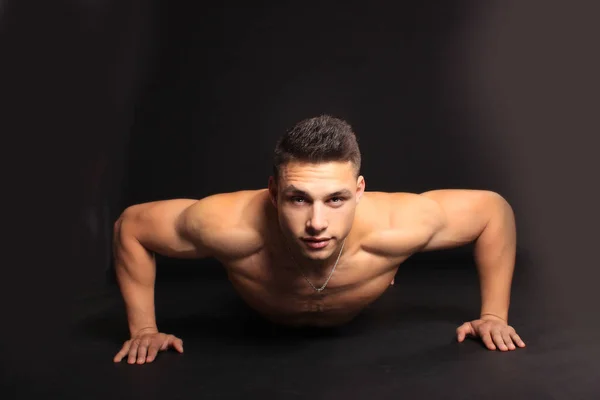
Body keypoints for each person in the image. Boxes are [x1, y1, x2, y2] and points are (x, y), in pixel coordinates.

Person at [112, 115, 526, 365]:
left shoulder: (401, 224)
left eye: (336, 199)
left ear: (359, 190)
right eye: (297, 199)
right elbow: (132, 226)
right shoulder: (226, 225)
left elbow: (494, 211)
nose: (316, 222)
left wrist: (493, 315)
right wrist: (144, 328)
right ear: (273, 193)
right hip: (254, 337)